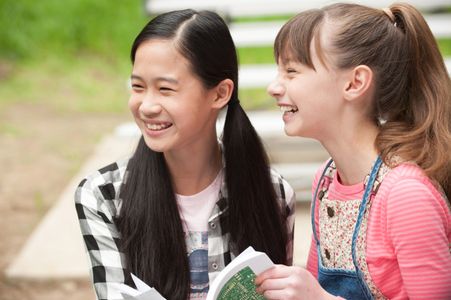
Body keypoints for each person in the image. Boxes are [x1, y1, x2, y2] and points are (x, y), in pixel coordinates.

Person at [74, 9, 295, 300]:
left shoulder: (273, 193)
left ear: (219, 93)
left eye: (165, 89)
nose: (147, 106)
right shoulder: (102, 195)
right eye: (138, 86)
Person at [255, 2, 451, 299]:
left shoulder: (406, 195)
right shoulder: (326, 179)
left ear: (355, 82)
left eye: (292, 71)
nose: (273, 87)